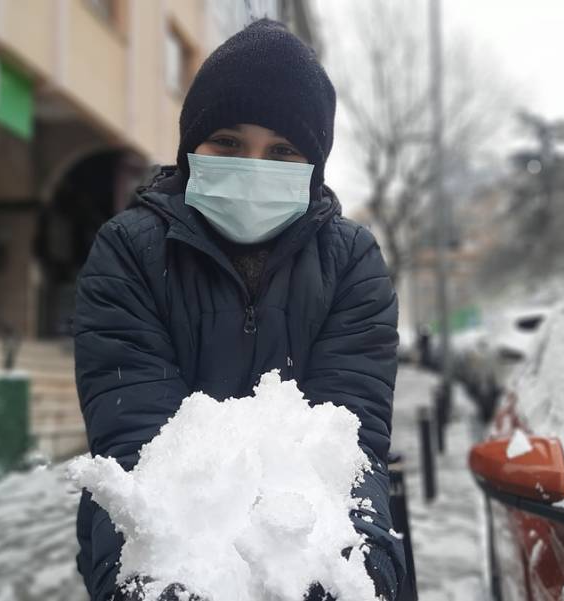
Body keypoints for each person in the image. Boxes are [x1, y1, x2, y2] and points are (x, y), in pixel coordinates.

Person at [74, 19, 404, 601]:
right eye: (228, 142)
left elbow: (348, 446)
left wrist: (357, 568)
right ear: (191, 147)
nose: (255, 165)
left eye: (282, 150)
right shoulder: (130, 251)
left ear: (313, 165)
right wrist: (147, 575)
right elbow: (132, 442)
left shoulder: (351, 261)